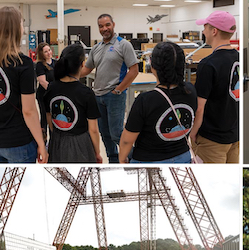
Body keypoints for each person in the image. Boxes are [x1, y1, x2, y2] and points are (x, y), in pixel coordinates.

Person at [0, 6, 46, 163]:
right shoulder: (23, 63)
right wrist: (41, 143)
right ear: (16, 28)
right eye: (21, 23)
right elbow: (29, 111)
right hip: (18, 142)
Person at [119, 42, 197, 164]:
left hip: (148, 160)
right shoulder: (190, 90)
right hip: (183, 156)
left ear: (153, 66)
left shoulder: (145, 100)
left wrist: (122, 158)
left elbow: (127, 140)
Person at [81, 13, 138, 163]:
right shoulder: (96, 48)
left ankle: (134, 157)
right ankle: (113, 160)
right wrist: (66, 76)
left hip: (114, 96)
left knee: (116, 134)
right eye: (101, 26)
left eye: (107, 25)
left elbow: (134, 70)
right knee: (105, 134)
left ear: (113, 24)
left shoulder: (123, 45)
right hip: (98, 96)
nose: (104, 28)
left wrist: (119, 89)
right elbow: (86, 69)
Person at [189, 10, 239, 163]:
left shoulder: (208, 64)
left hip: (212, 140)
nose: (203, 31)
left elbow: (199, 107)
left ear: (214, 31)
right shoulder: (238, 58)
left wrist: (193, 133)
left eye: (205, 27)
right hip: (235, 136)